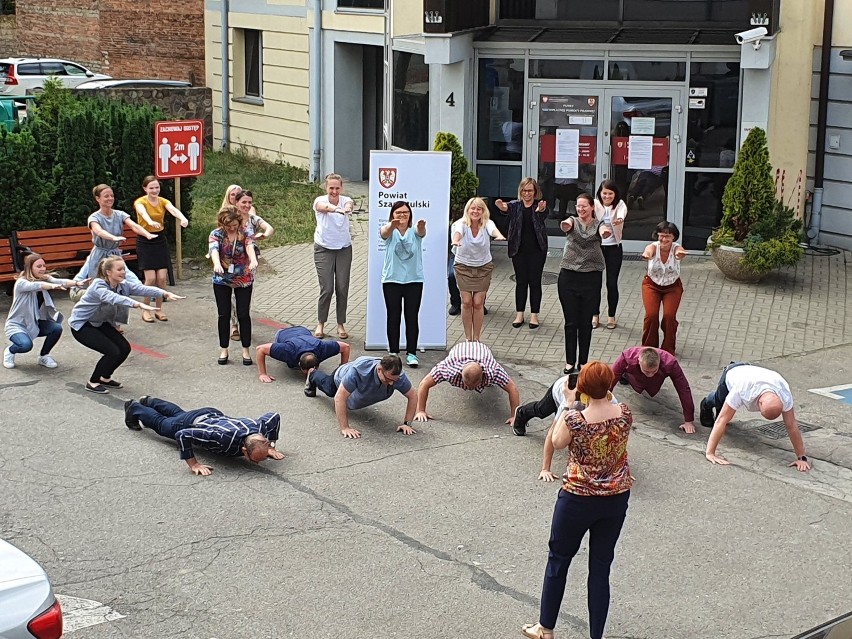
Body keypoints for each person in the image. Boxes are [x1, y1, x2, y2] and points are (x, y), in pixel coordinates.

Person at [522, 361, 633, 639]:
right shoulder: (625, 413)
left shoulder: (576, 419)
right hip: (615, 498)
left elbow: (557, 441)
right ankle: (596, 635)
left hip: (577, 498)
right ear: (609, 385)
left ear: (582, 386)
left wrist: (571, 404)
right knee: (600, 567)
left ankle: (545, 627)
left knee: (559, 559)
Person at [69, 256, 183, 394]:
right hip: (82, 324)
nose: (123, 272)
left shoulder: (122, 285)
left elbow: (142, 289)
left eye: (124, 268)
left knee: (124, 348)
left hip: (100, 322)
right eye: (119, 269)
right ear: (108, 272)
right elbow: (113, 297)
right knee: (112, 351)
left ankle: (105, 377)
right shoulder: (97, 286)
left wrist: (165, 293)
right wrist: (137, 304)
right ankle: (92, 382)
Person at [123, 395, 284, 476]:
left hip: (212, 414)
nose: (260, 463)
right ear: (243, 450)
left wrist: (271, 447)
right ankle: (135, 407)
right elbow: (182, 435)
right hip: (192, 423)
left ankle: (150, 401)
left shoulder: (259, 429)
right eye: (256, 459)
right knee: (162, 424)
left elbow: (274, 416)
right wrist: (194, 464)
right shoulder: (221, 438)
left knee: (178, 414)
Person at [701, 363, 811, 471]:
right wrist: (710, 453)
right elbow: (721, 420)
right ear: (760, 403)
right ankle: (706, 403)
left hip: (753, 372)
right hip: (733, 373)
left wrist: (802, 457)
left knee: (725, 419)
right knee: (718, 402)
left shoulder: (784, 394)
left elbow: (791, 425)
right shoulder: (743, 389)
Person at [557, 193, 611, 375]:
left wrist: (605, 232)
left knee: (585, 323)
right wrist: (565, 224)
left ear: (592, 208)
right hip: (569, 277)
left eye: (584, 206)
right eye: (578, 206)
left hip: (591, 277)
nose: (580, 209)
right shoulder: (572, 221)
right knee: (571, 322)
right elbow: (566, 224)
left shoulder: (599, 224)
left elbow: (604, 231)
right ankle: (570, 361)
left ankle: (583, 362)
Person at [71, 184, 157, 298]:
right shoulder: (94, 217)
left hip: (114, 254)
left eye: (112, 195)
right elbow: (99, 231)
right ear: (98, 198)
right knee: (96, 281)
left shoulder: (119, 214)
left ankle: (147, 292)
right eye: (106, 196)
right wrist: (113, 237)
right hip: (99, 253)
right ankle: (82, 295)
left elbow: (134, 226)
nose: (110, 198)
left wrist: (147, 234)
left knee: (127, 274)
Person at [303, 354, 417, 439]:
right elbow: (340, 398)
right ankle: (313, 374)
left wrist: (407, 423)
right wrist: (345, 428)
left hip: (362, 385)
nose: (392, 383)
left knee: (356, 399)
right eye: (388, 379)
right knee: (329, 390)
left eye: (394, 380)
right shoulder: (359, 370)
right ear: (379, 370)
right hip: (340, 377)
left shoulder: (397, 376)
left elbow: (412, 395)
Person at [413, 341, 520, 426]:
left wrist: (515, 416)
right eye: (467, 385)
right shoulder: (448, 368)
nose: (469, 389)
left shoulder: (493, 369)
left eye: (473, 386)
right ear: (460, 374)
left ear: (482, 377)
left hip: (482, 349)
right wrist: (421, 411)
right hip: (459, 348)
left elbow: (512, 389)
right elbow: (424, 384)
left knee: (501, 382)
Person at [3, 253, 81, 370]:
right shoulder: (21, 283)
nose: (43, 269)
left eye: (44, 266)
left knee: (56, 328)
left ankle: (44, 356)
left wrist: (76, 283)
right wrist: (53, 286)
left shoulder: (45, 278)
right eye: (38, 266)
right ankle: (10, 351)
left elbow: (59, 281)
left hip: (35, 322)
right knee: (25, 345)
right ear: (30, 268)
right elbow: (38, 286)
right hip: (17, 325)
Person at [495, 177, 549, 330]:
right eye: (524, 190)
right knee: (521, 282)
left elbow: (543, 215)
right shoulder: (515, 205)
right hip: (518, 250)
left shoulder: (540, 205)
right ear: (520, 191)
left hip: (537, 250)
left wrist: (540, 211)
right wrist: (501, 206)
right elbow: (506, 209)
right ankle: (519, 314)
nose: (527, 194)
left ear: (535, 191)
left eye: (530, 190)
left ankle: (534, 315)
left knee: (535, 282)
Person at [133, 176, 189, 323]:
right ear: (145, 189)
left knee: (162, 278)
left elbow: (173, 210)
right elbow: (142, 213)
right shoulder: (140, 202)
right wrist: (150, 221)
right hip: (145, 239)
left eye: (156, 187)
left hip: (159, 240)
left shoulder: (163, 201)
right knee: (150, 278)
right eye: (151, 188)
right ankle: (146, 310)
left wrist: (182, 218)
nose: (154, 190)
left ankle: (159, 309)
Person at [451, 197, 506, 342]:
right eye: (473, 208)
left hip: (483, 267)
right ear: (467, 210)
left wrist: (499, 236)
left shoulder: (487, 223)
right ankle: (468, 338)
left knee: (478, 302)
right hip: (463, 267)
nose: (475, 211)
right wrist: (456, 241)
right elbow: (458, 233)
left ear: (483, 211)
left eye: (479, 209)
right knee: (467, 302)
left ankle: (476, 338)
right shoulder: (460, 224)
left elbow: (493, 230)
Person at [209, 205, 258, 366]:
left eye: (234, 225)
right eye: (228, 226)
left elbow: (250, 246)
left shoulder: (245, 233)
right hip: (222, 277)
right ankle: (224, 348)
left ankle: (246, 349)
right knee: (223, 314)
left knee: (243, 314)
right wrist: (216, 263)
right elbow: (214, 250)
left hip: (243, 277)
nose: (231, 228)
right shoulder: (216, 234)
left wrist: (253, 260)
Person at [380, 200, 426, 367]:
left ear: (410, 215)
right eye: (398, 212)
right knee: (393, 316)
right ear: (392, 214)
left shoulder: (414, 231)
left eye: (405, 213)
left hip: (414, 280)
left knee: (411, 317)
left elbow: (421, 232)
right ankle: (393, 352)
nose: (402, 215)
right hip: (392, 280)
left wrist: (421, 226)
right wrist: (392, 225)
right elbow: (384, 233)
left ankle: (412, 353)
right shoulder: (389, 231)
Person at [611, 346, 695, 433]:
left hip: (655, 382)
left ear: (659, 363)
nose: (650, 375)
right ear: (639, 361)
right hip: (632, 375)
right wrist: (604, 404)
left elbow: (683, 388)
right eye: (647, 371)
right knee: (620, 375)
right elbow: (610, 379)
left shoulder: (670, 363)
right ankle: (624, 376)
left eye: (654, 371)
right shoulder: (627, 357)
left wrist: (689, 420)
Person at [313, 173, 354, 340]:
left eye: (337, 188)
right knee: (327, 288)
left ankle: (340, 324)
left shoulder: (346, 200)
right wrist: (336, 209)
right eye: (331, 188)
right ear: (326, 188)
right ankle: (321, 323)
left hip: (344, 249)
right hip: (323, 249)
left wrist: (348, 208)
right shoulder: (319, 200)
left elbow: (350, 204)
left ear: (341, 188)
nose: (334, 191)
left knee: (342, 287)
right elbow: (323, 207)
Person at [228, 189, 274, 341]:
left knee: (245, 294)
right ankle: (233, 325)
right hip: (232, 260)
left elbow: (269, 228)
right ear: (236, 203)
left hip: (249, 262)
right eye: (244, 202)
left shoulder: (253, 219)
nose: (247, 205)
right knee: (232, 294)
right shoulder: (231, 218)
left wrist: (264, 234)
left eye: (249, 202)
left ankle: (243, 324)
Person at [641, 221, 687, 355]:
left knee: (669, 316)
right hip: (651, 285)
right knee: (651, 315)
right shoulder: (653, 247)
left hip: (672, 287)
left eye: (668, 236)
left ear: (674, 237)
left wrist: (681, 254)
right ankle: (649, 348)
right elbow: (648, 251)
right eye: (661, 236)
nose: (664, 239)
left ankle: (668, 349)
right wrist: (646, 255)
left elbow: (680, 252)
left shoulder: (676, 247)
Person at [254, 323, 351, 383]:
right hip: (284, 333)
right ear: (299, 364)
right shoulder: (287, 350)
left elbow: (346, 347)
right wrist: (262, 374)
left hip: (303, 330)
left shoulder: (322, 348)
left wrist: (343, 369)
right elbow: (260, 349)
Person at [592, 180, 628, 330]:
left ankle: (611, 316)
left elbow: (622, 214)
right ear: (600, 193)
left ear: (615, 194)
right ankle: (594, 315)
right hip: (596, 248)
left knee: (611, 284)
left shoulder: (620, 205)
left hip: (614, 248)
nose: (607, 196)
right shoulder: (594, 204)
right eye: (604, 193)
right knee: (594, 284)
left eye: (610, 193)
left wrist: (619, 219)